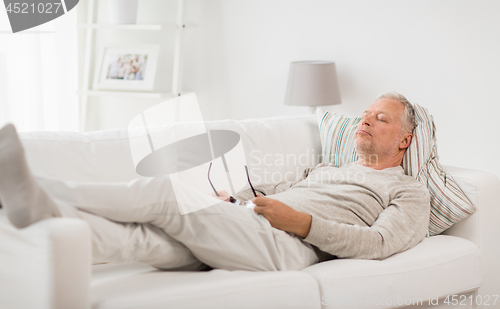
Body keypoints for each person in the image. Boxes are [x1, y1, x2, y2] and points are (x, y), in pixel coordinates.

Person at [0, 91, 430, 272]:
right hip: (252, 225)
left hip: (291, 246)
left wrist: (300, 223)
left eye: (381, 118)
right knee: (140, 242)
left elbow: (377, 245)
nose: (365, 120)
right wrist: (232, 198)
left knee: (167, 193)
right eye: (365, 114)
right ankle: (29, 229)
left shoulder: (409, 191)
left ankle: (41, 191)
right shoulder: (327, 170)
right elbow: (269, 196)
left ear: (405, 139)